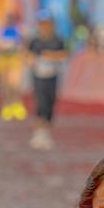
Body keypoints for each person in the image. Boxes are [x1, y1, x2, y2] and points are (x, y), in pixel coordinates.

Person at [27, 11, 66, 150]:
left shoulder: (58, 40)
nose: (44, 26)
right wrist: (33, 61)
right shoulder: (35, 41)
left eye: (47, 23)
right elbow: (29, 55)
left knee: (50, 105)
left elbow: (63, 55)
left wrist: (49, 56)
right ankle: (39, 134)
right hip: (39, 77)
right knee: (41, 104)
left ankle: (46, 133)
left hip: (52, 76)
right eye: (42, 23)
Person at [0, 15, 27, 121]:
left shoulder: (18, 30)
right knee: (5, 85)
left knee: (14, 84)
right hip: (3, 59)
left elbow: (23, 45)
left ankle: (17, 104)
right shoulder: (1, 31)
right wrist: (3, 46)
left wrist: (18, 48)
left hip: (15, 59)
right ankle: (7, 105)